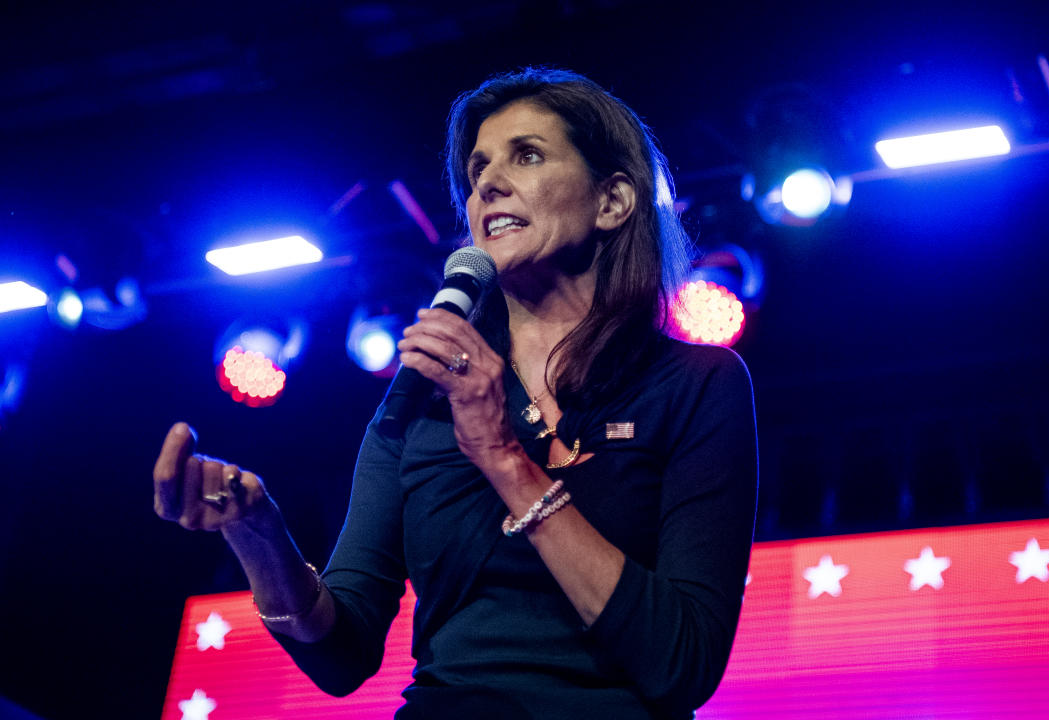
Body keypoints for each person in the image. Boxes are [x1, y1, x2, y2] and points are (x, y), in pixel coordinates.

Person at [153, 67, 758, 719]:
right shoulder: (418, 402)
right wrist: (258, 533)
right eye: (476, 171)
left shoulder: (696, 385)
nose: (487, 183)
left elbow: (683, 663)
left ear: (611, 200)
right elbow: (339, 655)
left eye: (526, 155)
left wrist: (503, 457)